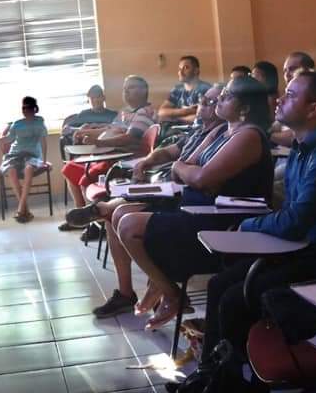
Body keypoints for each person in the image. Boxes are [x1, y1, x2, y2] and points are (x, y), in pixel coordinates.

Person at [191, 70, 316, 392]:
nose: (280, 99)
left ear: (313, 109)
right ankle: (210, 375)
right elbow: (289, 214)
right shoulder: (302, 148)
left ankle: (231, 383)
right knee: (219, 283)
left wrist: (248, 225)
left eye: (291, 95)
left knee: (235, 299)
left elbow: (294, 221)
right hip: (302, 248)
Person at [79, 77, 274, 325]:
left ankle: (170, 292)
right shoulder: (221, 131)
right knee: (119, 217)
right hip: (194, 208)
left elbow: (200, 178)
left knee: (128, 226)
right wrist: (188, 171)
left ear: (244, 109)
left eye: (227, 96)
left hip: (221, 222)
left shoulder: (248, 136)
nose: (219, 100)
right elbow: (185, 165)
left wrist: (189, 173)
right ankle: (165, 289)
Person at [61, 83, 226, 312]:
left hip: (185, 201)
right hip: (169, 188)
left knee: (122, 217)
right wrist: (147, 161)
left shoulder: (224, 136)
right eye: (203, 101)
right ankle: (126, 292)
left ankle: (162, 289)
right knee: (114, 215)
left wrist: (176, 167)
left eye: (211, 102)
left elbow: (194, 173)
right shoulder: (198, 132)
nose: (202, 105)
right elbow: (169, 152)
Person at [62, 75, 156, 210]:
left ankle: (92, 216)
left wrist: (99, 143)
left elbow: (129, 138)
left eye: (131, 87)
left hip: (124, 162)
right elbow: (110, 129)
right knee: (70, 168)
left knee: (85, 180)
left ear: (143, 91)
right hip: (109, 157)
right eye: (124, 88)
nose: (126, 91)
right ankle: (81, 212)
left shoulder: (144, 113)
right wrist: (85, 132)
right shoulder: (126, 112)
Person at [0, 96, 49, 223]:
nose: (25, 110)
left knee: (29, 169)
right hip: (15, 154)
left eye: (28, 108)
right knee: (11, 170)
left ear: (34, 108)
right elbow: (9, 139)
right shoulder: (17, 123)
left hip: (33, 155)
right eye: (23, 108)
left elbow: (43, 142)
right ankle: (25, 209)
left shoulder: (40, 122)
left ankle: (21, 208)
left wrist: (44, 160)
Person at [271, 52, 315, 147]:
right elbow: (275, 126)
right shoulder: (286, 97)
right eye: (285, 71)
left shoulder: (315, 96)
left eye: (292, 69)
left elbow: (296, 136)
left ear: (308, 70)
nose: (287, 74)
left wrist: (264, 135)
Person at [159, 55, 212, 125]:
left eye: (185, 68)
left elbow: (203, 117)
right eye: (179, 69)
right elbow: (162, 112)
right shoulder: (177, 89)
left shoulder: (206, 89)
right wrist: (189, 111)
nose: (180, 72)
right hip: (177, 128)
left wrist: (175, 118)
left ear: (196, 71)